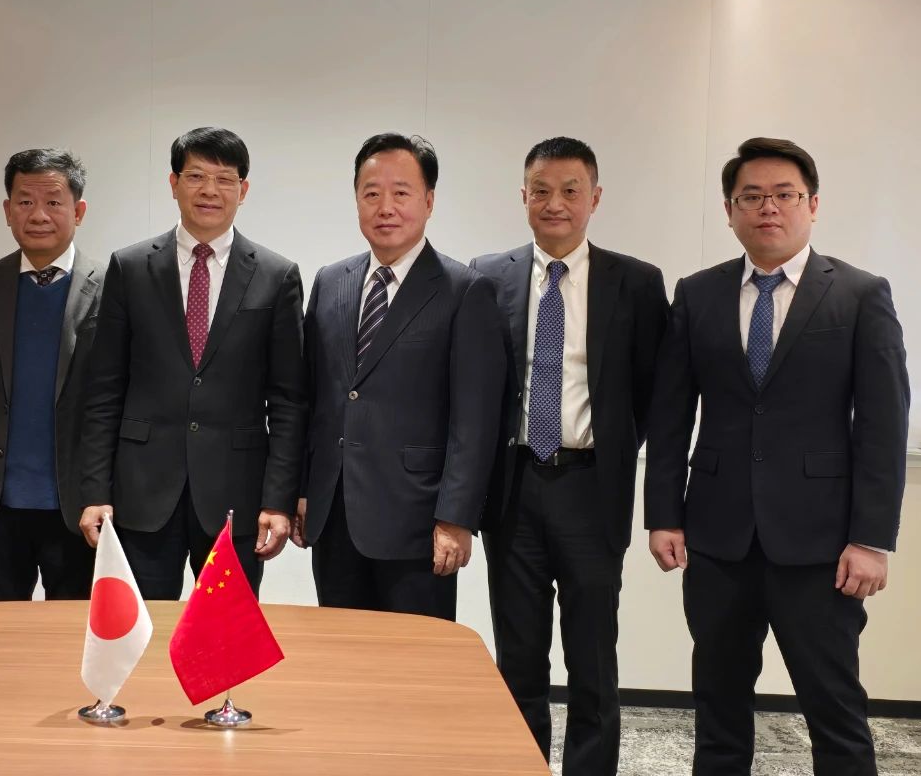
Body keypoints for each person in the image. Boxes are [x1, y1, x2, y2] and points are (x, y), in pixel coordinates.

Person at [645, 137, 909, 776]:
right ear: (729, 211)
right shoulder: (697, 294)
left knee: (834, 709)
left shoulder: (859, 294)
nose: (768, 207)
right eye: (752, 196)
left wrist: (871, 539)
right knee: (718, 705)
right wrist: (663, 515)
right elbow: (671, 416)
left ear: (812, 204)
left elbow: (883, 426)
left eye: (784, 195)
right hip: (718, 539)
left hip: (821, 545)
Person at [471, 137, 667, 773]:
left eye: (570, 191)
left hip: (591, 489)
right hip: (513, 489)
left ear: (595, 198)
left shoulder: (636, 283)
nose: (555, 203)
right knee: (518, 658)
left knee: (593, 659)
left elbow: (651, 392)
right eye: (542, 190)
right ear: (523, 196)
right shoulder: (487, 276)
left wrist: (608, 452)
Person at [77, 127, 306, 598]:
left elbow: (288, 401)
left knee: (225, 636)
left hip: (236, 497)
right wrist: (96, 491)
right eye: (196, 176)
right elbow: (104, 389)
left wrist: (277, 500)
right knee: (142, 632)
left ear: (243, 190)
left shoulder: (276, 275)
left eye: (224, 179)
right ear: (173, 183)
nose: (209, 190)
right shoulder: (130, 267)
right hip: (141, 494)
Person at [294, 133, 504, 621]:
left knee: (415, 657)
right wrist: (303, 490)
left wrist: (455, 518)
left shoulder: (464, 290)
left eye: (401, 193)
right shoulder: (330, 281)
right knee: (341, 651)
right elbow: (313, 397)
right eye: (371, 193)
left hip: (419, 521)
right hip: (334, 514)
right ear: (356, 201)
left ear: (429, 201)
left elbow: (475, 422)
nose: (385, 207)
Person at [0, 149, 105, 601]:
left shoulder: (112, 285)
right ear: (7, 210)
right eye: (25, 201)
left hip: (77, 504)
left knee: (73, 634)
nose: (38, 215)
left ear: (78, 211)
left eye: (53, 202)